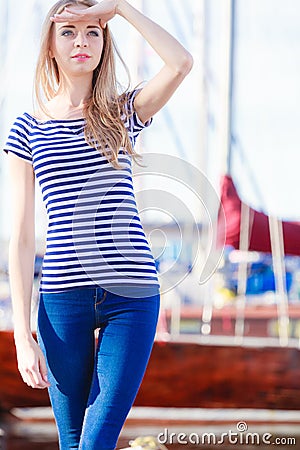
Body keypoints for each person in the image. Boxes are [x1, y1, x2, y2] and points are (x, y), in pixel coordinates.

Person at [3, 0, 193, 449]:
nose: (81, 41)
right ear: (50, 45)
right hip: (61, 301)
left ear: (105, 43)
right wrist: (21, 336)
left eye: (93, 31)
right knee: (73, 443)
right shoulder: (27, 129)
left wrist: (122, 9)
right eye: (68, 31)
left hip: (131, 294)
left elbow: (181, 63)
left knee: (95, 442)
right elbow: (22, 237)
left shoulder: (121, 113)